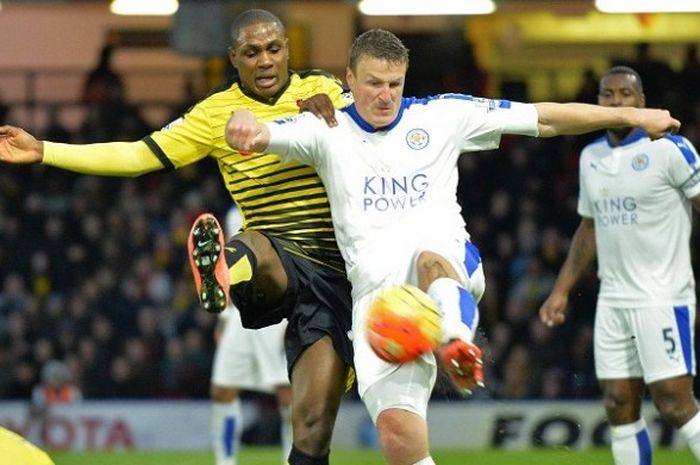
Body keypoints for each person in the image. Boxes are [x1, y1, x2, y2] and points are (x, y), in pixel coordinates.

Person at [223, 29, 680, 465]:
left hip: (446, 268)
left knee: (429, 259)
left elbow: (543, 116)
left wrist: (634, 116)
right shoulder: (325, 129)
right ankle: (445, 350)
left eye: (395, 84)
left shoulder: (442, 115)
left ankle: (458, 345)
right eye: (374, 84)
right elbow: (261, 131)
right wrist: (243, 125)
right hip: (379, 306)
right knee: (399, 438)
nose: (386, 95)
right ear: (350, 79)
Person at [0, 9, 353, 465]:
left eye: (273, 48)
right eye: (251, 52)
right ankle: (224, 268)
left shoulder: (322, 91)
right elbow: (136, 155)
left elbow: (380, 127)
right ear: (233, 58)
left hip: (337, 269)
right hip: (276, 255)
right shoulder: (214, 115)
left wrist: (343, 115)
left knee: (311, 429)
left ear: (287, 49)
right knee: (258, 244)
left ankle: (228, 267)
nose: (264, 60)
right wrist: (45, 150)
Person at [539, 66, 700, 465]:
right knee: (617, 404)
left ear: (641, 102)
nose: (615, 102)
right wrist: (561, 290)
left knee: (675, 404)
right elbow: (588, 227)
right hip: (612, 299)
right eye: (607, 95)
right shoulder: (590, 156)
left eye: (624, 95)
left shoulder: (670, 150)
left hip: (662, 296)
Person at [210, 205, 292, 465]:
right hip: (240, 313)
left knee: (287, 394)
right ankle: (226, 461)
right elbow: (228, 269)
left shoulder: (284, 207)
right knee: (222, 390)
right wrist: (224, 319)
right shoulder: (234, 214)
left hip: (276, 310)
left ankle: (294, 459)